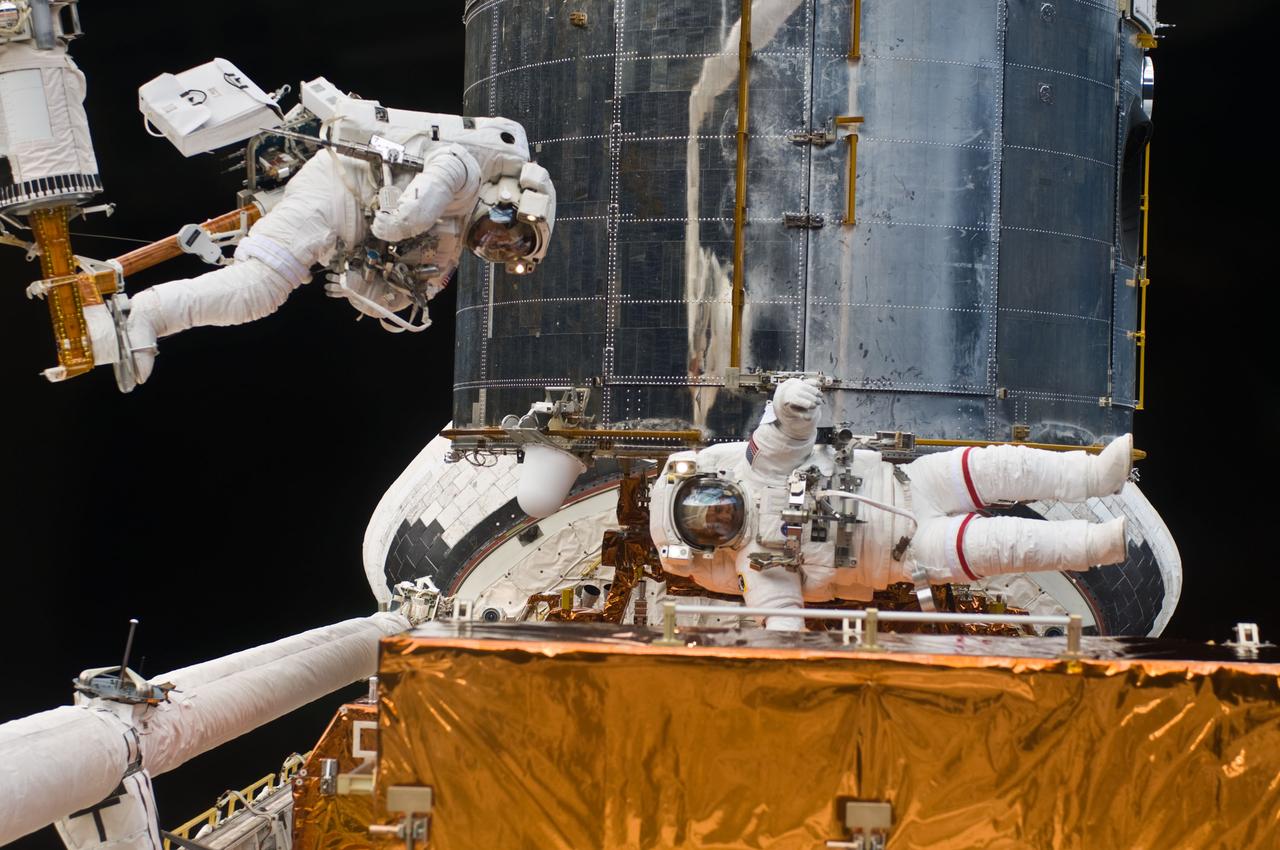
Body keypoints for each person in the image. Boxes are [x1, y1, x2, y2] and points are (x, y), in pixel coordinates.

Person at [94, 87, 555, 384]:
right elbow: (410, 208)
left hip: (341, 230)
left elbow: (408, 302)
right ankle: (145, 315)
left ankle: (145, 319)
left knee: (260, 296)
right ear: (508, 202)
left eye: (502, 254)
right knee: (259, 288)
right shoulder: (465, 172)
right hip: (336, 189)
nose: (495, 246)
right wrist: (399, 223)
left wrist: (361, 290)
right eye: (506, 234)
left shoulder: (453, 242)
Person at [650, 378, 1131, 630]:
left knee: (999, 467)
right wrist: (779, 639)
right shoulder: (754, 569)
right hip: (906, 551)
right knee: (1001, 544)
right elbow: (780, 615)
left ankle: (1095, 474)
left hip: (907, 483)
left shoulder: (756, 468)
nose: (720, 513)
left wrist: (790, 405)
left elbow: (785, 435)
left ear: (712, 482)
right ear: (708, 546)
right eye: (710, 524)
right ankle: (1094, 545)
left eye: (709, 503)